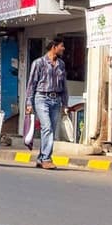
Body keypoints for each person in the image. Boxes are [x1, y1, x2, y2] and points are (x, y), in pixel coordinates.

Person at [25, 37, 68, 170]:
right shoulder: (39, 63)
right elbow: (31, 84)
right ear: (54, 47)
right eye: (61, 46)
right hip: (42, 98)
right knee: (47, 127)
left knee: (51, 130)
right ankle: (46, 159)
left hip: (56, 99)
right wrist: (29, 103)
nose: (63, 49)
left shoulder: (61, 64)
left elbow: (64, 85)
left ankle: (41, 158)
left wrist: (65, 103)